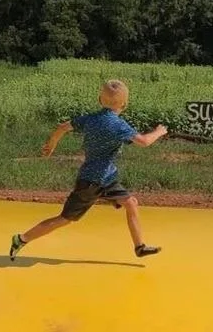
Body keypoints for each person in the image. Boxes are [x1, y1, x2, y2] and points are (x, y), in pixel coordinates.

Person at [9, 79, 166, 260]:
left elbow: (62, 127)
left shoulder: (90, 119)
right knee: (65, 219)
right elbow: (145, 142)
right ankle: (21, 239)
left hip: (106, 178)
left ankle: (140, 247)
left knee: (131, 203)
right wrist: (159, 131)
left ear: (100, 100)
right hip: (91, 182)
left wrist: (51, 145)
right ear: (125, 104)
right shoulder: (118, 125)